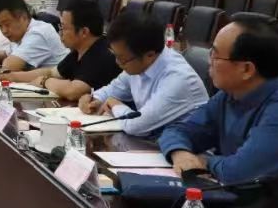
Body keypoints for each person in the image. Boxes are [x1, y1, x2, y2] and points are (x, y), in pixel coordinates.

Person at [159, 17, 278, 208]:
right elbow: (177, 130)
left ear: (247, 69)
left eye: (215, 54)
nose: (209, 60)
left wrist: (204, 161)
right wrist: (180, 152)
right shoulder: (230, 94)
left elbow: (239, 173)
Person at [78, 11, 208, 137]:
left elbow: (136, 126)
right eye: (115, 55)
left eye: (122, 59)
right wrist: (94, 99)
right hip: (154, 140)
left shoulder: (178, 79)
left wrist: (114, 105)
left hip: (185, 148)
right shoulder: (137, 63)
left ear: (149, 55)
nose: (117, 63)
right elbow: (113, 89)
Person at [0, 0, 121, 101]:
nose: (60, 32)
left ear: (84, 32)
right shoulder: (77, 52)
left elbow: (73, 91)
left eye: (64, 27)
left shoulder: (102, 53)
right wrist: (12, 76)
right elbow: (52, 73)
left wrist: (44, 82)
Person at [0, 0, 68, 71]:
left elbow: (8, 67)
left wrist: (7, 60)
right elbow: (7, 53)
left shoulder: (38, 33)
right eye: (0, 26)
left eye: (7, 24)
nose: (4, 31)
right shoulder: (20, 34)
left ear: (23, 17)